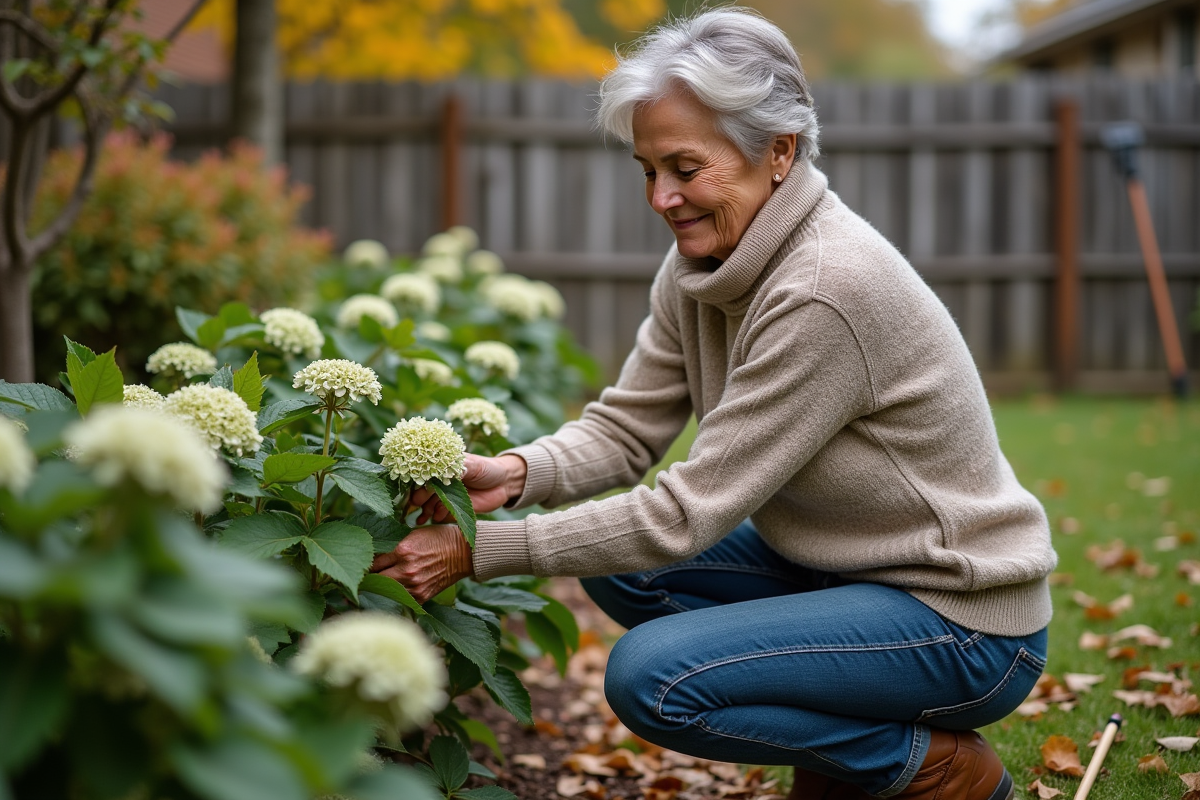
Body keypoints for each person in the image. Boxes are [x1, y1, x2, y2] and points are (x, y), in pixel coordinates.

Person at [371, 9, 1056, 800]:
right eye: (646, 169)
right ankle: (844, 751)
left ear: (779, 153)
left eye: (685, 168)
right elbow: (627, 429)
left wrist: (479, 550)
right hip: (847, 574)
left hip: (960, 622)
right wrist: (519, 473)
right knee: (626, 578)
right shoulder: (707, 262)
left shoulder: (824, 290)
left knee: (653, 680)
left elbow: (683, 513)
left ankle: (929, 766)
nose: (662, 197)